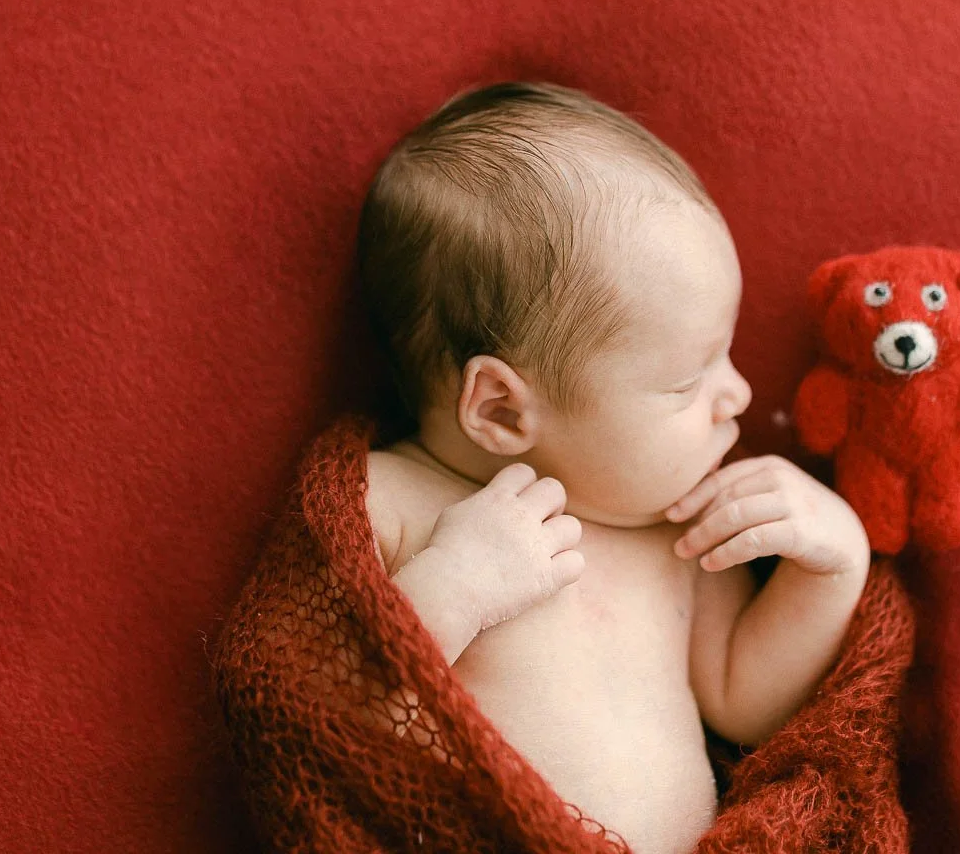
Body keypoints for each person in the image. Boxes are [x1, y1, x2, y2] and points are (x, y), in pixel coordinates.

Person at [356, 80, 871, 854]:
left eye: (724, 355)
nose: (738, 393)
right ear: (499, 410)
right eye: (686, 380)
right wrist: (450, 592)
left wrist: (831, 567)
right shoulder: (393, 501)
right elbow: (324, 710)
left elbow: (745, 702)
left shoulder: (675, 534)